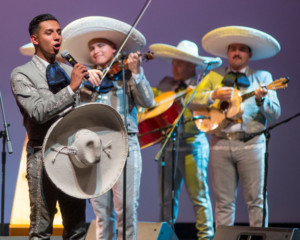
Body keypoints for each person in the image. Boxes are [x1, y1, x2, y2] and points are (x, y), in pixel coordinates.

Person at [60, 16, 154, 240]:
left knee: (127, 209)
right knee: (101, 211)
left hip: (125, 144)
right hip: (95, 146)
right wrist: (83, 82)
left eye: (100, 46)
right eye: (92, 48)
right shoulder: (86, 78)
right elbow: (76, 112)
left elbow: (148, 102)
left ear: (114, 49)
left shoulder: (128, 75)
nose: (95, 51)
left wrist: (137, 73)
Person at [187, 26, 281, 228]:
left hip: (252, 144)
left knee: (256, 201)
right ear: (228, 53)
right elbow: (191, 99)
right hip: (220, 144)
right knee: (223, 203)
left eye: (242, 49)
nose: (237, 53)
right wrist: (213, 95)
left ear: (249, 54)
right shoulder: (214, 76)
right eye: (233, 49)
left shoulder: (262, 77)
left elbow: (275, 113)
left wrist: (261, 101)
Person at [10, 14, 90, 239]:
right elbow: (38, 112)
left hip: (71, 157)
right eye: (49, 32)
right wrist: (72, 89)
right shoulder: (22, 74)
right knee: (41, 228)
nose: (57, 37)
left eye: (58, 32)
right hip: (42, 157)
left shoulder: (66, 72)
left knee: (76, 229)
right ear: (34, 39)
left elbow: (76, 115)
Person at [148, 40, 222, 240]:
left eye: (180, 63)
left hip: (193, 144)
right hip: (169, 145)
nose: (175, 67)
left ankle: (206, 237)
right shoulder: (165, 84)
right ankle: (166, 236)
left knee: (199, 196)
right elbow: (152, 102)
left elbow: (209, 102)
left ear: (192, 65)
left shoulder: (204, 83)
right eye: (173, 63)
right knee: (166, 199)